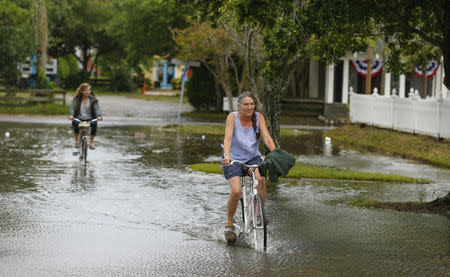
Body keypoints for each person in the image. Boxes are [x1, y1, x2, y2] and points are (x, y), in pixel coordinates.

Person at [222, 92, 276, 242]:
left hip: (252, 158)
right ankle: (229, 223)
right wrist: (227, 155)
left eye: (252, 104)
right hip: (233, 158)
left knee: (261, 179)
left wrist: (276, 153)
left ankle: (259, 215)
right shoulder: (232, 117)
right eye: (246, 104)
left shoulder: (259, 117)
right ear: (239, 106)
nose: (249, 107)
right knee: (237, 191)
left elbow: (266, 137)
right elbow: (228, 138)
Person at [68, 83, 102, 149]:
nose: (87, 92)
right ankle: (77, 141)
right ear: (81, 91)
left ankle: (91, 143)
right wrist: (71, 115)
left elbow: (97, 108)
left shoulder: (93, 99)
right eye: (85, 90)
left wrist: (99, 116)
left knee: (95, 123)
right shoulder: (77, 99)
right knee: (75, 123)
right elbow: (72, 107)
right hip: (79, 118)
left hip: (90, 118)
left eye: (88, 90)